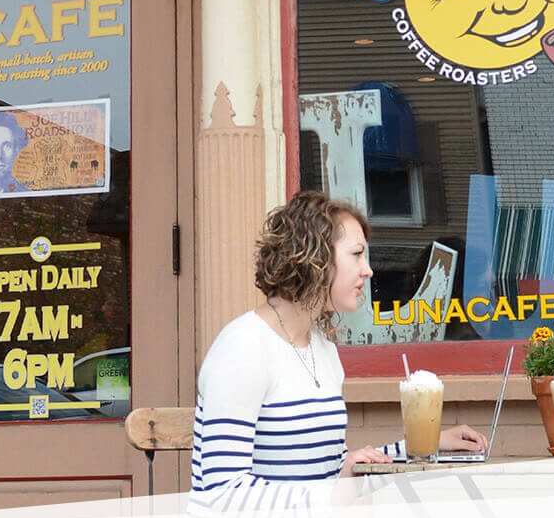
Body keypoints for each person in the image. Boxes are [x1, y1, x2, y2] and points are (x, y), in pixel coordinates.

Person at [191, 191, 488, 501]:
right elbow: (223, 490)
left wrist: (423, 448)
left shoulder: (323, 350)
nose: (368, 270)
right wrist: (329, 498)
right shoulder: (243, 348)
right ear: (314, 259)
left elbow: (335, 476)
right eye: (357, 254)